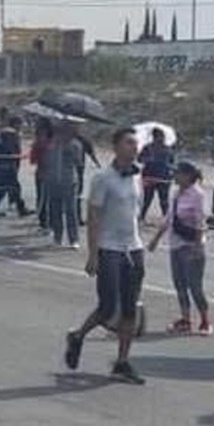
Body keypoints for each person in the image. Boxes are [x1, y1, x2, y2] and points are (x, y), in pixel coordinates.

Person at [64, 127, 147, 385]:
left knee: (130, 309)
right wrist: (94, 254)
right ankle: (78, 335)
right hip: (109, 249)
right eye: (129, 143)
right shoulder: (103, 178)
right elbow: (94, 217)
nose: (134, 148)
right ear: (116, 147)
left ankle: (122, 362)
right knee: (108, 306)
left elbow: (136, 211)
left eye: (136, 144)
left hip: (133, 248)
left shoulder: (137, 175)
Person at [148, 162, 211, 335]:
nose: (174, 176)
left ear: (187, 175)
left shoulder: (197, 194)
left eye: (177, 173)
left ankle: (205, 320)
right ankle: (185, 319)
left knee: (195, 286)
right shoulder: (176, 193)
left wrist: (198, 247)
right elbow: (169, 218)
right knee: (179, 284)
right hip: (176, 244)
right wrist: (156, 238)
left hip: (191, 245)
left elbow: (200, 222)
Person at [42, 123, 83, 249]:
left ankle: (73, 239)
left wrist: (68, 149)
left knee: (71, 211)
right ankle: (57, 237)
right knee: (55, 210)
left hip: (69, 181)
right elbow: (47, 160)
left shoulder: (75, 144)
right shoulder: (52, 144)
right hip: (53, 181)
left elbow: (78, 161)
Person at [0, 117, 28, 218]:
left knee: (4, 188)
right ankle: (20, 208)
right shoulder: (10, 133)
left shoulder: (5, 133)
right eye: (19, 124)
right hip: (7, 165)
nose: (21, 127)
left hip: (4, 165)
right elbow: (10, 150)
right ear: (15, 124)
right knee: (14, 187)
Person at [137, 128, 174, 222]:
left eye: (163, 136)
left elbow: (172, 162)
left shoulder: (168, 149)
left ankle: (166, 219)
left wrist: (171, 171)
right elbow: (139, 159)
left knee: (164, 200)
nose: (162, 138)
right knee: (147, 199)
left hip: (164, 177)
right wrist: (148, 159)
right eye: (159, 136)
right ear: (154, 137)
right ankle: (142, 217)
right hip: (149, 176)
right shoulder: (147, 148)